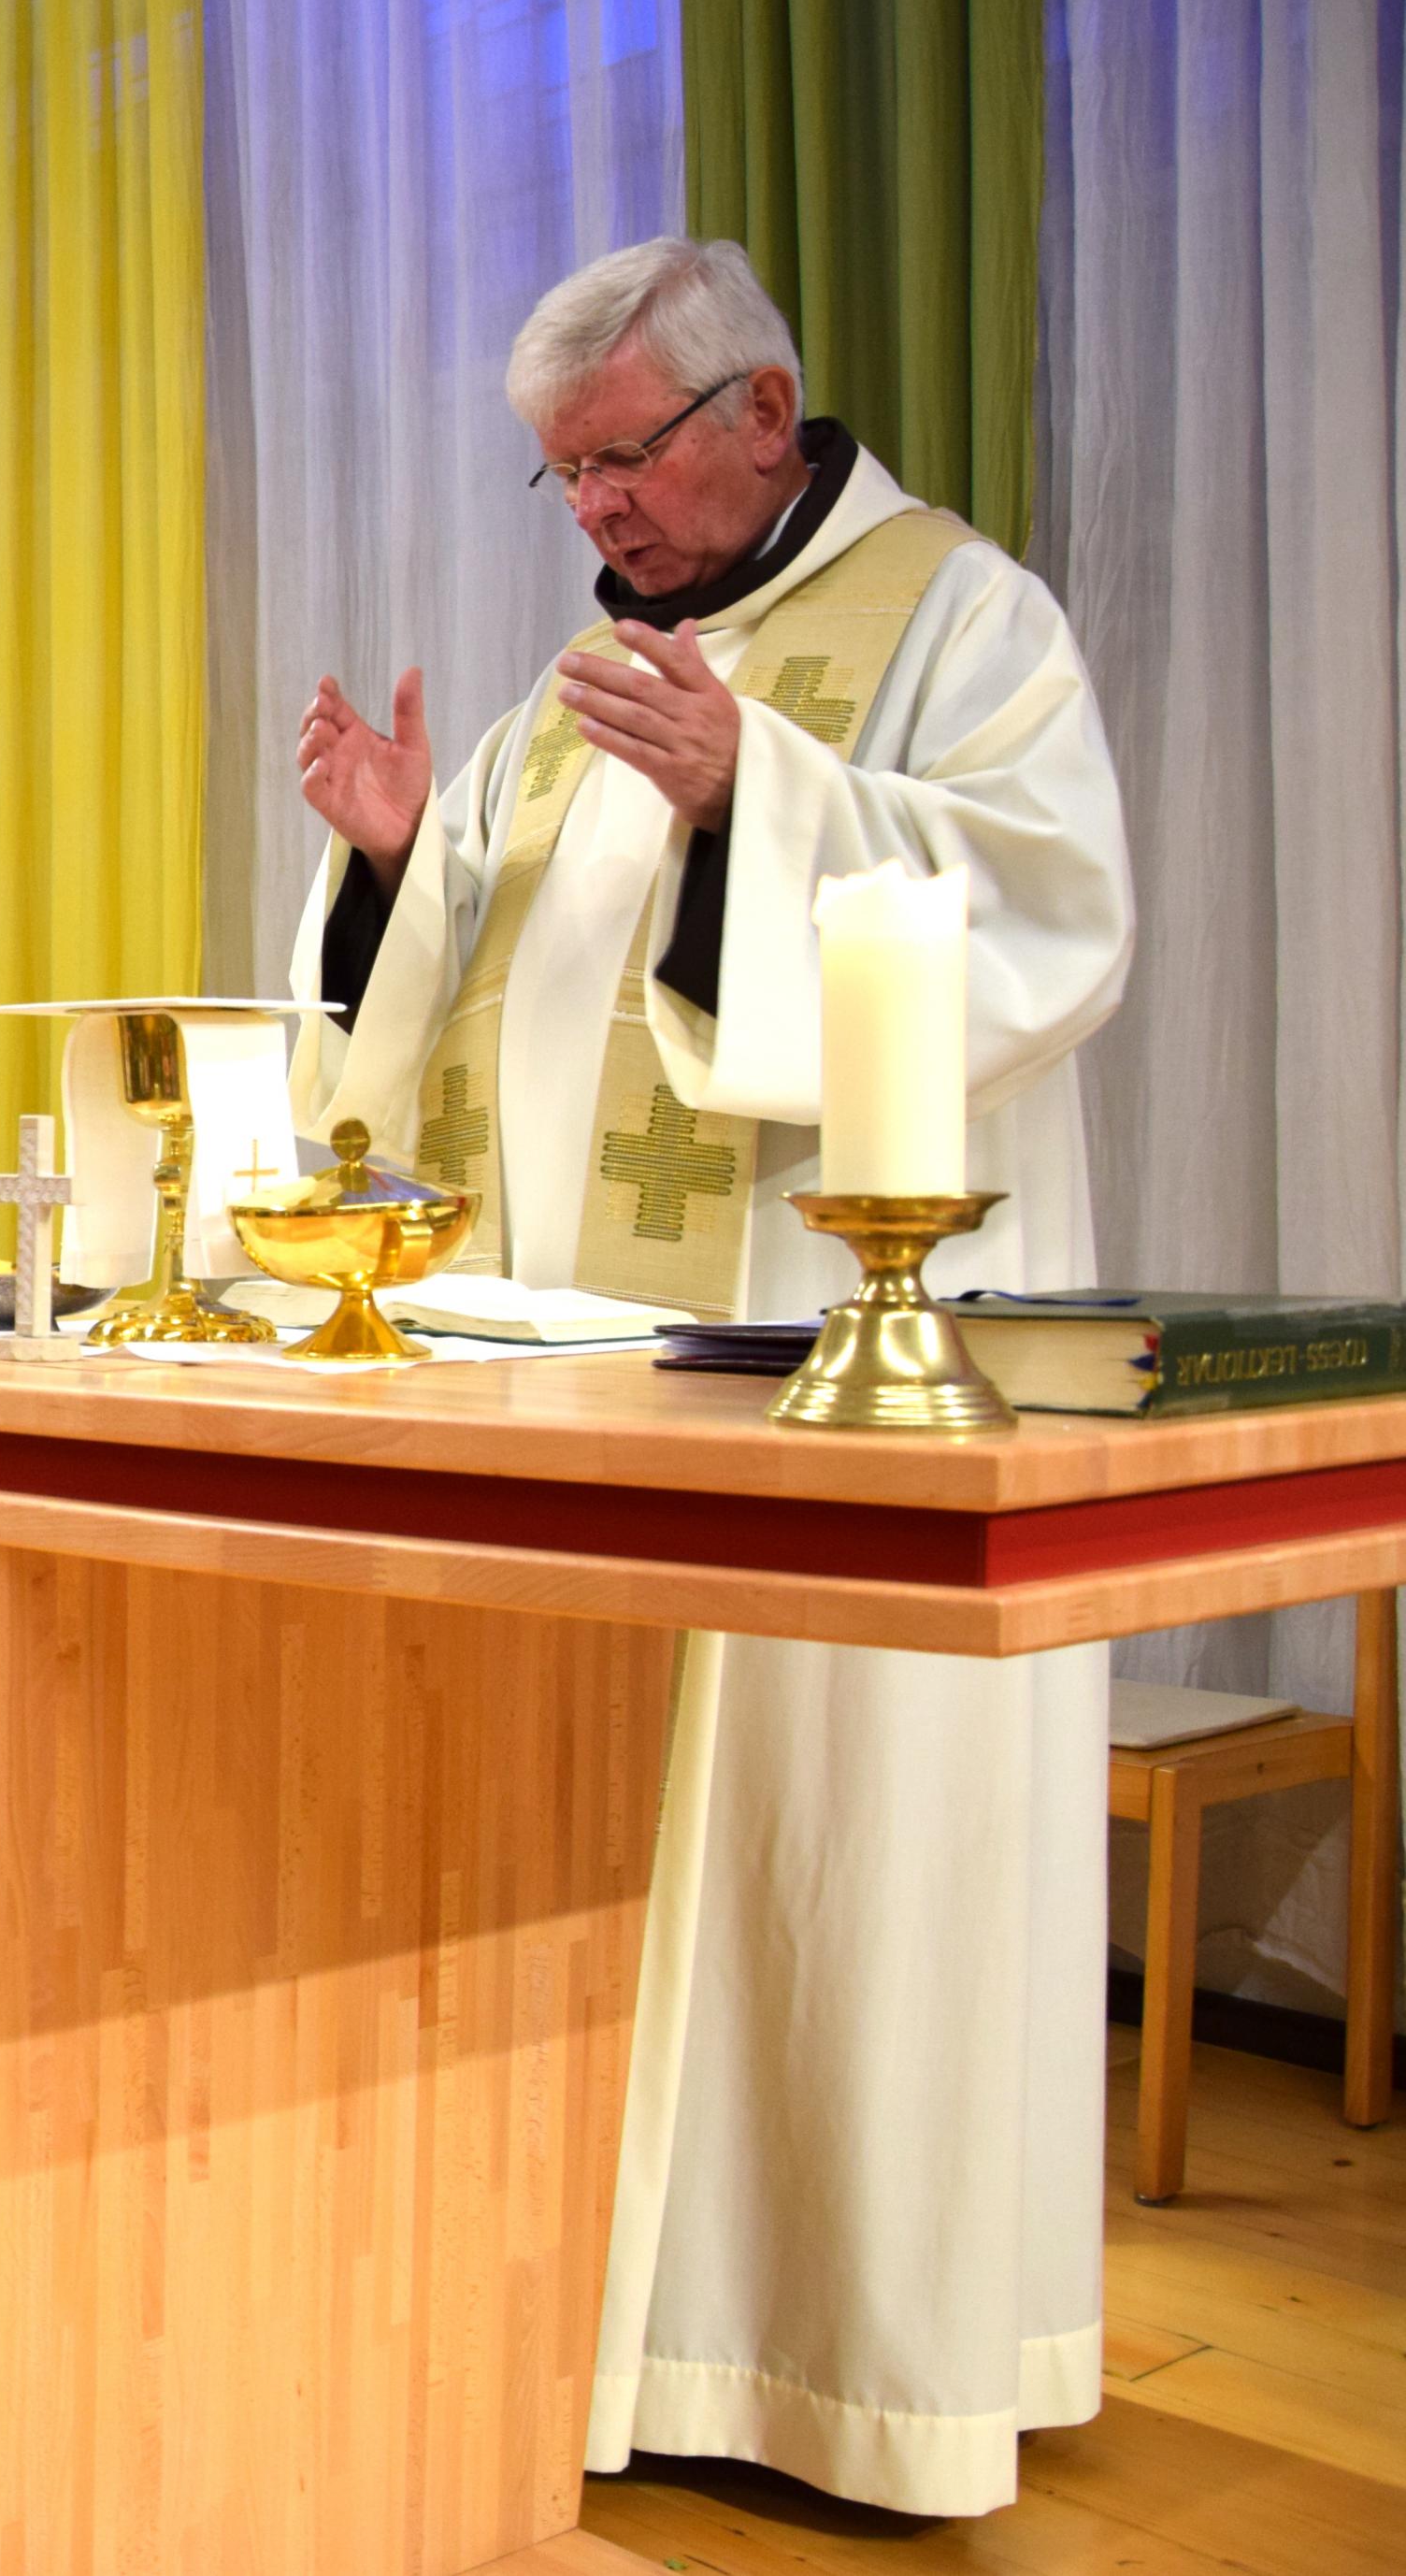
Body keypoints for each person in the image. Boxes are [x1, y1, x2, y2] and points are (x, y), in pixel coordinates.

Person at [287, 237, 1131, 2514]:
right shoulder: (572, 695)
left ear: (759, 409)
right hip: (577, 1404)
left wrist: (772, 799)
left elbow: (1049, 920)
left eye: (620, 458)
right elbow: (424, 1032)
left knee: (816, 1853)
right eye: (559, 475)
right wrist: (394, 867)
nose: (592, 513)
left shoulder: (963, 624)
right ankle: (576, 2316)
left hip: (824, 1373)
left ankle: (832, 2370)